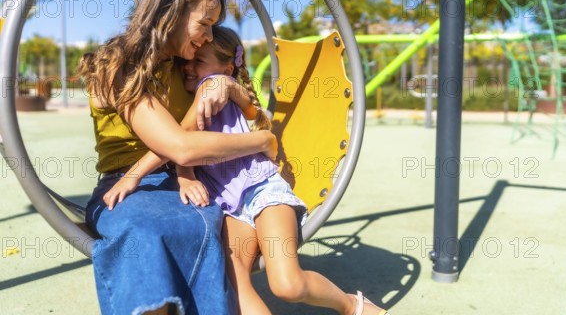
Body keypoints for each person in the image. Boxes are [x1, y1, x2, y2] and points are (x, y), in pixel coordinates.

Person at [103, 26, 390, 315]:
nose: (189, 67)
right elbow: (192, 144)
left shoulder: (211, 87)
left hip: (263, 193)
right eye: (187, 61)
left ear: (226, 68)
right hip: (228, 206)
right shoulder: (207, 91)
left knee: (287, 285)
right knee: (235, 285)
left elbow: (179, 142)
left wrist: (134, 174)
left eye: (199, 60)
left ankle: (353, 305)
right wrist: (185, 175)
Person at [79, 0, 277, 315]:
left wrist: (227, 85)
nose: (208, 35)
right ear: (173, 10)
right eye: (205, 23)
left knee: (203, 226)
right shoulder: (117, 65)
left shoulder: (184, 67)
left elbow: (249, 113)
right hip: (129, 185)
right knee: (148, 232)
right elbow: (181, 146)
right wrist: (261, 142)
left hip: (190, 181)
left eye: (214, 26)